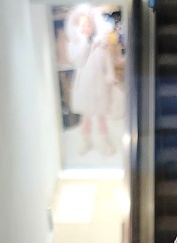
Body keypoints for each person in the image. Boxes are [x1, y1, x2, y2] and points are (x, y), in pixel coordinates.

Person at [65, 4, 117, 156]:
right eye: (82, 25)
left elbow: (107, 62)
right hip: (84, 85)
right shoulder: (75, 44)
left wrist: (110, 75)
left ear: (93, 26)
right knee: (86, 116)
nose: (85, 28)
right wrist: (83, 43)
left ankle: (105, 140)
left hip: (99, 84)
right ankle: (86, 141)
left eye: (88, 25)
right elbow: (76, 61)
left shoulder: (100, 44)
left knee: (101, 115)